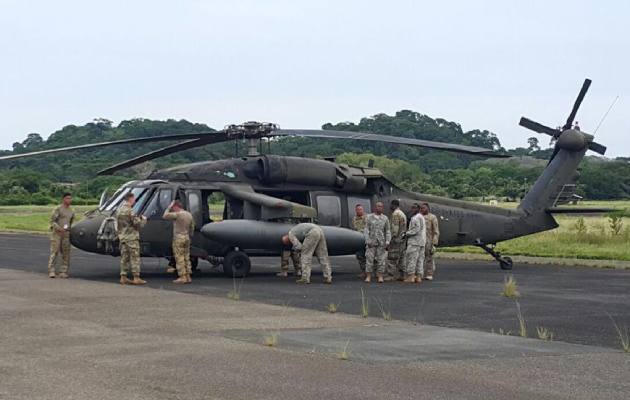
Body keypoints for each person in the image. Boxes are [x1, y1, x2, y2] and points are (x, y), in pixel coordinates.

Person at [116, 192, 147, 285]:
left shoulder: (119, 210)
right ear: (130, 199)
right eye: (134, 199)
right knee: (134, 257)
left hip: (123, 237)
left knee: (124, 258)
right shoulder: (130, 210)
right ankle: (136, 277)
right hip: (132, 237)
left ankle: (123, 277)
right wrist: (144, 220)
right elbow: (137, 223)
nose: (134, 201)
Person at [163, 200, 194, 284]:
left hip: (178, 238)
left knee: (179, 257)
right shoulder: (189, 214)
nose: (173, 209)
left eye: (173, 208)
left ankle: (182, 277)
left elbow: (165, 216)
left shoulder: (178, 214)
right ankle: (188, 276)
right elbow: (192, 228)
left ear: (176, 206)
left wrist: (169, 207)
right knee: (186, 257)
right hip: (187, 237)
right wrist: (189, 235)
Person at [47, 193, 75, 279]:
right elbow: (52, 221)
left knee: (66, 253)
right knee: (55, 252)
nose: (69, 200)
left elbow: (70, 222)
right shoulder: (58, 209)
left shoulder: (72, 211)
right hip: (57, 234)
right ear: (63, 199)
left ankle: (63, 271)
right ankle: (51, 270)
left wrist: (68, 230)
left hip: (66, 234)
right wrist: (58, 228)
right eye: (67, 198)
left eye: (70, 198)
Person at [363, 201, 391, 283]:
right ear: (375, 207)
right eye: (378, 206)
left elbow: (388, 231)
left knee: (381, 260)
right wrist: (367, 240)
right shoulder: (369, 217)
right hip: (371, 242)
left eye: (381, 206)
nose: (380, 208)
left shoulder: (385, 218)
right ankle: (368, 276)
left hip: (381, 243)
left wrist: (387, 242)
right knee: (369, 259)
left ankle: (380, 276)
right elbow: (366, 229)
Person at [404, 203, 426, 283]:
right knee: (420, 260)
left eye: (414, 208)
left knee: (411, 259)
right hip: (422, 242)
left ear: (418, 209)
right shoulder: (422, 217)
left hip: (414, 242)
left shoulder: (415, 218)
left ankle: (411, 276)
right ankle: (419, 277)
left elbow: (416, 229)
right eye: (412, 208)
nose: (412, 209)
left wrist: (406, 233)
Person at [385, 199, 407, 281]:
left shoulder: (395, 214)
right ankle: (403, 274)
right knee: (402, 257)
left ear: (393, 205)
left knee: (392, 257)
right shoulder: (402, 214)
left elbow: (395, 228)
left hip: (396, 240)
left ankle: (391, 275)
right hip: (402, 239)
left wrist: (391, 239)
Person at [420, 202, 440, 281]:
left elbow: (436, 231)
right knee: (420, 258)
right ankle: (419, 273)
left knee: (429, 258)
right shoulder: (419, 217)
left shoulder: (432, 217)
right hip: (420, 240)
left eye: (423, 208)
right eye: (421, 208)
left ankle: (429, 274)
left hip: (429, 240)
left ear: (428, 208)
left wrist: (434, 243)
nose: (422, 209)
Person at [352, 204, 367, 278]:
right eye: (358, 210)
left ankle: (375, 272)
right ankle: (363, 272)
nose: (359, 211)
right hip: (359, 241)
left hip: (366, 240)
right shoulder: (354, 219)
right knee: (360, 257)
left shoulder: (367, 218)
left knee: (371, 257)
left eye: (361, 209)